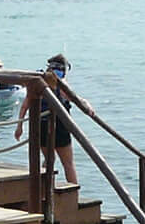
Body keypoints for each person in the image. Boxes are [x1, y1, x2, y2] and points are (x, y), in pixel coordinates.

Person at [13, 53, 94, 186]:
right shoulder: (60, 85)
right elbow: (74, 98)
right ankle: (72, 191)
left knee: (49, 159)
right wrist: (86, 104)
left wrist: (19, 126)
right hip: (58, 126)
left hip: (42, 125)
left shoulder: (39, 83)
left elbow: (25, 106)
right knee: (67, 163)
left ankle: (45, 188)